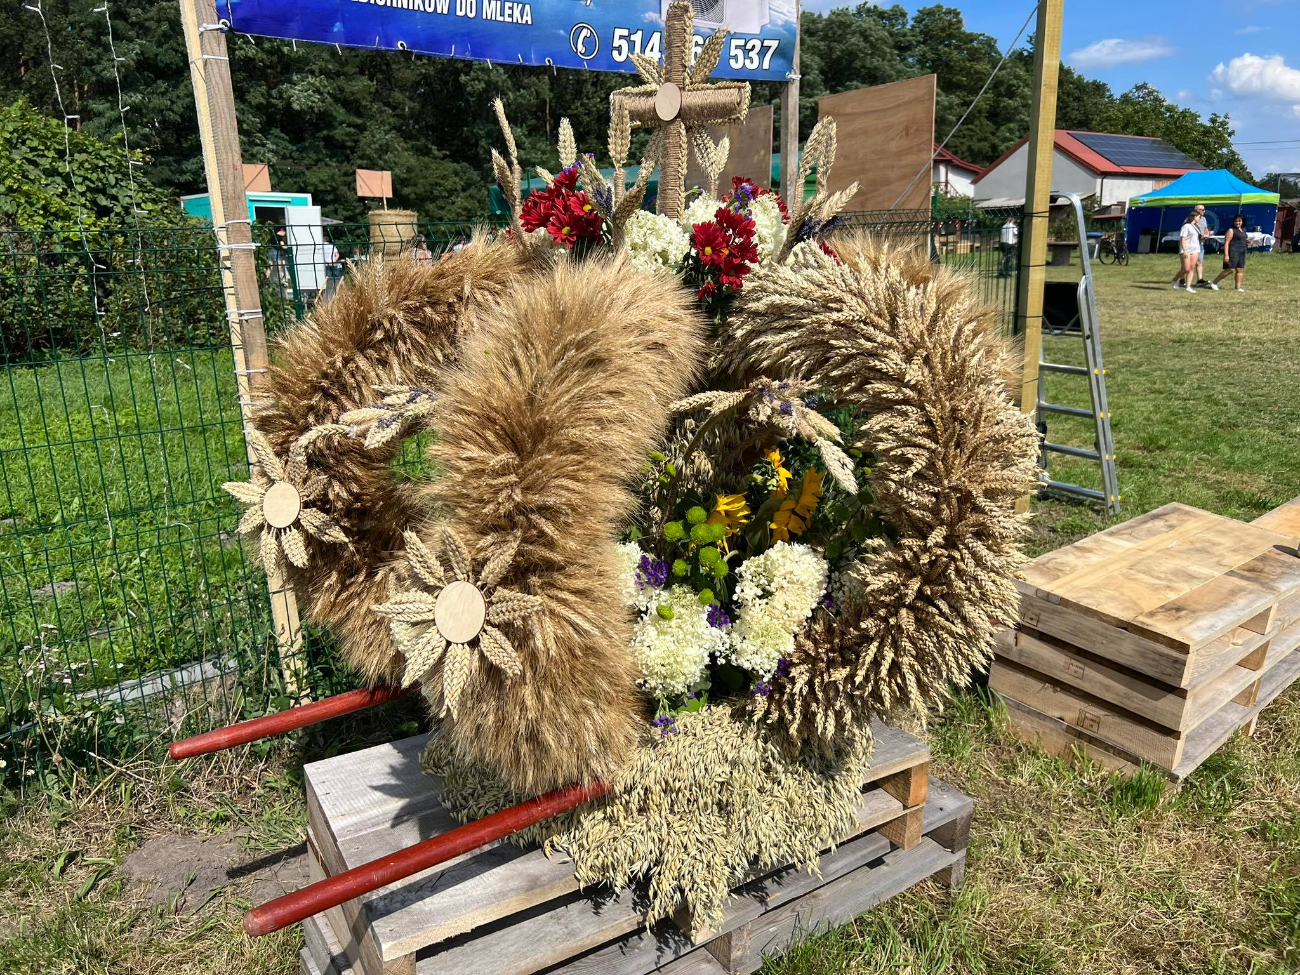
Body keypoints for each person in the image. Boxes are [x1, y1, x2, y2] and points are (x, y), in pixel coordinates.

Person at [1171, 204, 1213, 288]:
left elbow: (1205, 229)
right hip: (1188, 246)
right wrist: (1185, 249)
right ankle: (1180, 279)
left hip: (1198, 245)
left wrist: (1206, 234)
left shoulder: (1203, 219)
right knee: (1186, 267)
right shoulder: (1187, 222)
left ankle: (1196, 282)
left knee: (1197, 263)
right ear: (1196, 211)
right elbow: (1184, 236)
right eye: (1201, 209)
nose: (1203, 211)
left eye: (1204, 210)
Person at [1211, 213, 1248, 292]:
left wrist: (1248, 242)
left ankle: (1238, 287)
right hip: (1233, 252)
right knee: (1230, 269)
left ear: (1242, 221)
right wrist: (1226, 255)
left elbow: (1242, 240)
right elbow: (1226, 243)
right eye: (1236, 221)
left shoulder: (1243, 230)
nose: (1237, 223)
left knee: (1240, 270)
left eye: (1239, 221)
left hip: (1242, 252)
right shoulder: (1231, 230)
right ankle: (1214, 282)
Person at [1172, 211, 1203, 294]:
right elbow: (1183, 238)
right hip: (1186, 249)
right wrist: (1185, 250)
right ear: (1194, 217)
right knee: (1186, 268)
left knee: (1192, 268)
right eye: (1198, 217)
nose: (1199, 218)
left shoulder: (1196, 227)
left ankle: (1188, 286)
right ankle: (1175, 280)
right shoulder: (1186, 226)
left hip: (1195, 249)